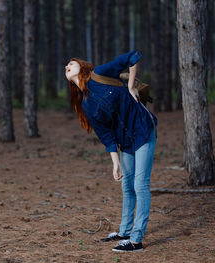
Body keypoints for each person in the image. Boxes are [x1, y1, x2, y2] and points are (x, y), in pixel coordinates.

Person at [65, 50, 157, 252]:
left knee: (140, 185)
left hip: (142, 130)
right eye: (66, 67)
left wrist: (131, 86)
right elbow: (106, 135)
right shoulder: (86, 104)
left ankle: (136, 240)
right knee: (127, 185)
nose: (67, 66)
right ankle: (124, 232)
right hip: (125, 143)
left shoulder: (100, 73)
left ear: (83, 66)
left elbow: (132, 57)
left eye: (71, 63)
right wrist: (115, 162)